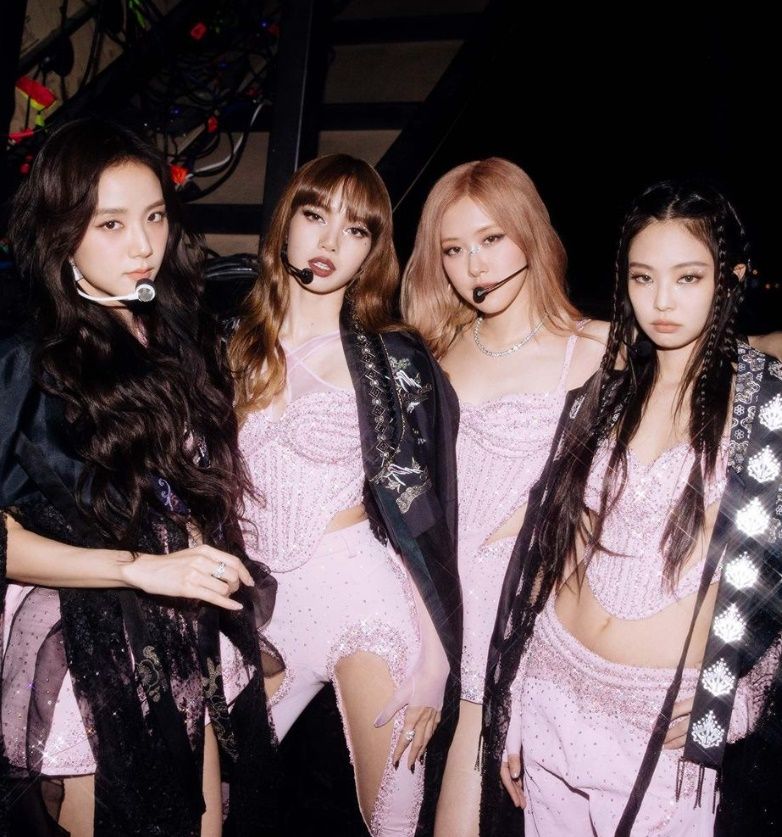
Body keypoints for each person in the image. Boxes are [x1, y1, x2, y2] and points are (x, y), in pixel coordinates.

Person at [0, 118, 278, 836]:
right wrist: (134, 567)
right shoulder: (29, 361)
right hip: (87, 640)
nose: (143, 245)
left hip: (183, 626)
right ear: (62, 234)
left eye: (154, 216)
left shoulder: (173, 330)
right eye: (111, 224)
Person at [481, 179, 782, 835]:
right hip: (555, 688)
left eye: (687, 277)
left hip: (661, 724)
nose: (662, 301)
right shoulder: (609, 391)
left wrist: (734, 698)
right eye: (643, 277)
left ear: (730, 279)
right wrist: (519, 689)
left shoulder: (768, 407)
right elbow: (563, 549)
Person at [229, 154, 461, 837]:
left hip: (359, 598)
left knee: (393, 815)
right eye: (315, 215)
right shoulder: (231, 344)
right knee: (205, 799)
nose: (330, 241)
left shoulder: (393, 359)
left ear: (371, 252)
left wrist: (437, 660)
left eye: (355, 229)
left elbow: (423, 512)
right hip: (257, 605)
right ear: (286, 224)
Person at [401, 157, 607, 836]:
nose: (474, 266)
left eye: (491, 239)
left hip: (539, 607)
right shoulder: (431, 357)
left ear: (530, 234)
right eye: (453, 249)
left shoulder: (598, 348)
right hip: (439, 606)